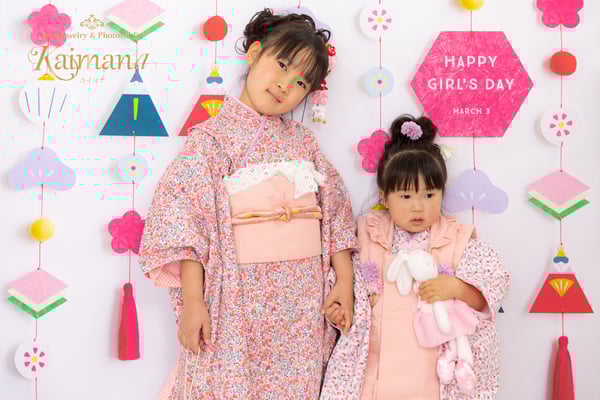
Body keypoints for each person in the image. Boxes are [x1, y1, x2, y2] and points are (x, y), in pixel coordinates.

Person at [138, 8, 358, 399]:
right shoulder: (211, 140)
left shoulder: (303, 143)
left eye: (300, 82)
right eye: (282, 65)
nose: (285, 86)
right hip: (238, 295)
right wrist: (193, 303)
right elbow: (187, 223)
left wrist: (343, 281)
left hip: (302, 302)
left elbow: (336, 212)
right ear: (255, 53)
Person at [357, 114, 511, 399]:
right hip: (381, 361)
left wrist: (458, 288)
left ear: (442, 193)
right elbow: (345, 285)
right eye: (406, 197)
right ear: (384, 197)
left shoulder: (455, 238)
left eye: (429, 195)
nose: (418, 207)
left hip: (434, 368)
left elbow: (493, 284)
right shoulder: (368, 235)